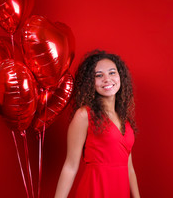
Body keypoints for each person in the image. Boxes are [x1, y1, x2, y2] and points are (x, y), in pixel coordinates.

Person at [54, 50, 140, 198]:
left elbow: (129, 168)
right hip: (95, 190)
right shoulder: (84, 115)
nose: (107, 79)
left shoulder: (124, 120)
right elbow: (70, 166)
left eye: (112, 73)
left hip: (121, 191)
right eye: (99, 75)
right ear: (89, 82)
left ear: (120, 77)